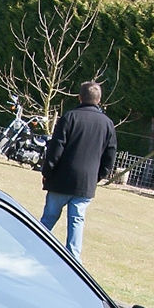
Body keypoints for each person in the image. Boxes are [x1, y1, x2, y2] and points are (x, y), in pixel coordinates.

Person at [39, 80, 117, 261]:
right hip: (86, 182)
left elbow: (55, 149)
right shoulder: (107, 124)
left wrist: (47, 172)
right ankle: (74, 259)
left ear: (79, 97)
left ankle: (34, 247)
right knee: (77, 221)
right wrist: (99, 176)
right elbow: (110, 155)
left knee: (49, 217)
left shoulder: (70, 117)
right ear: (99, 99)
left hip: (61, 179)